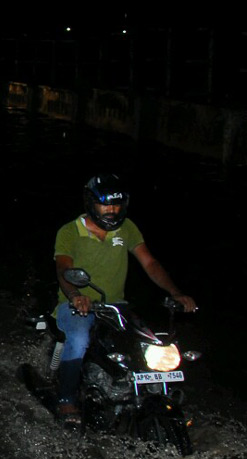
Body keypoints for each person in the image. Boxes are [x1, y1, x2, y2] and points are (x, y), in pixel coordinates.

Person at [53, 174, 197, 425]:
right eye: (105, 205)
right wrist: (76, 296)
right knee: (78, 339)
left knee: (149, 341)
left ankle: (147, 396)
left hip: (116, 306)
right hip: (76, 306)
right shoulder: (69, 232)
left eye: (116, 206)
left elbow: (150, 263)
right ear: (91, 203)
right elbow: (63, 268)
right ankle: (66, 400)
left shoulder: (127, 228)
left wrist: (175, 292)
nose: (111, 211)